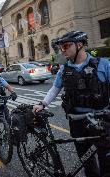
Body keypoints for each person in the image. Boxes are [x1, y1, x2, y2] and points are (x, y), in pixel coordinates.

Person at [33, 31, 110, 177]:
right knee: (86, 160)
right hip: (77, 121)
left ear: (79, 45)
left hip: (102, 120)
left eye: (66, 46)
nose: (63, 50)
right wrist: (42, 103)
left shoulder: (103, 65)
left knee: (106, 161)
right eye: (61, 47)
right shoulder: (64, 69)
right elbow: (55, 88)